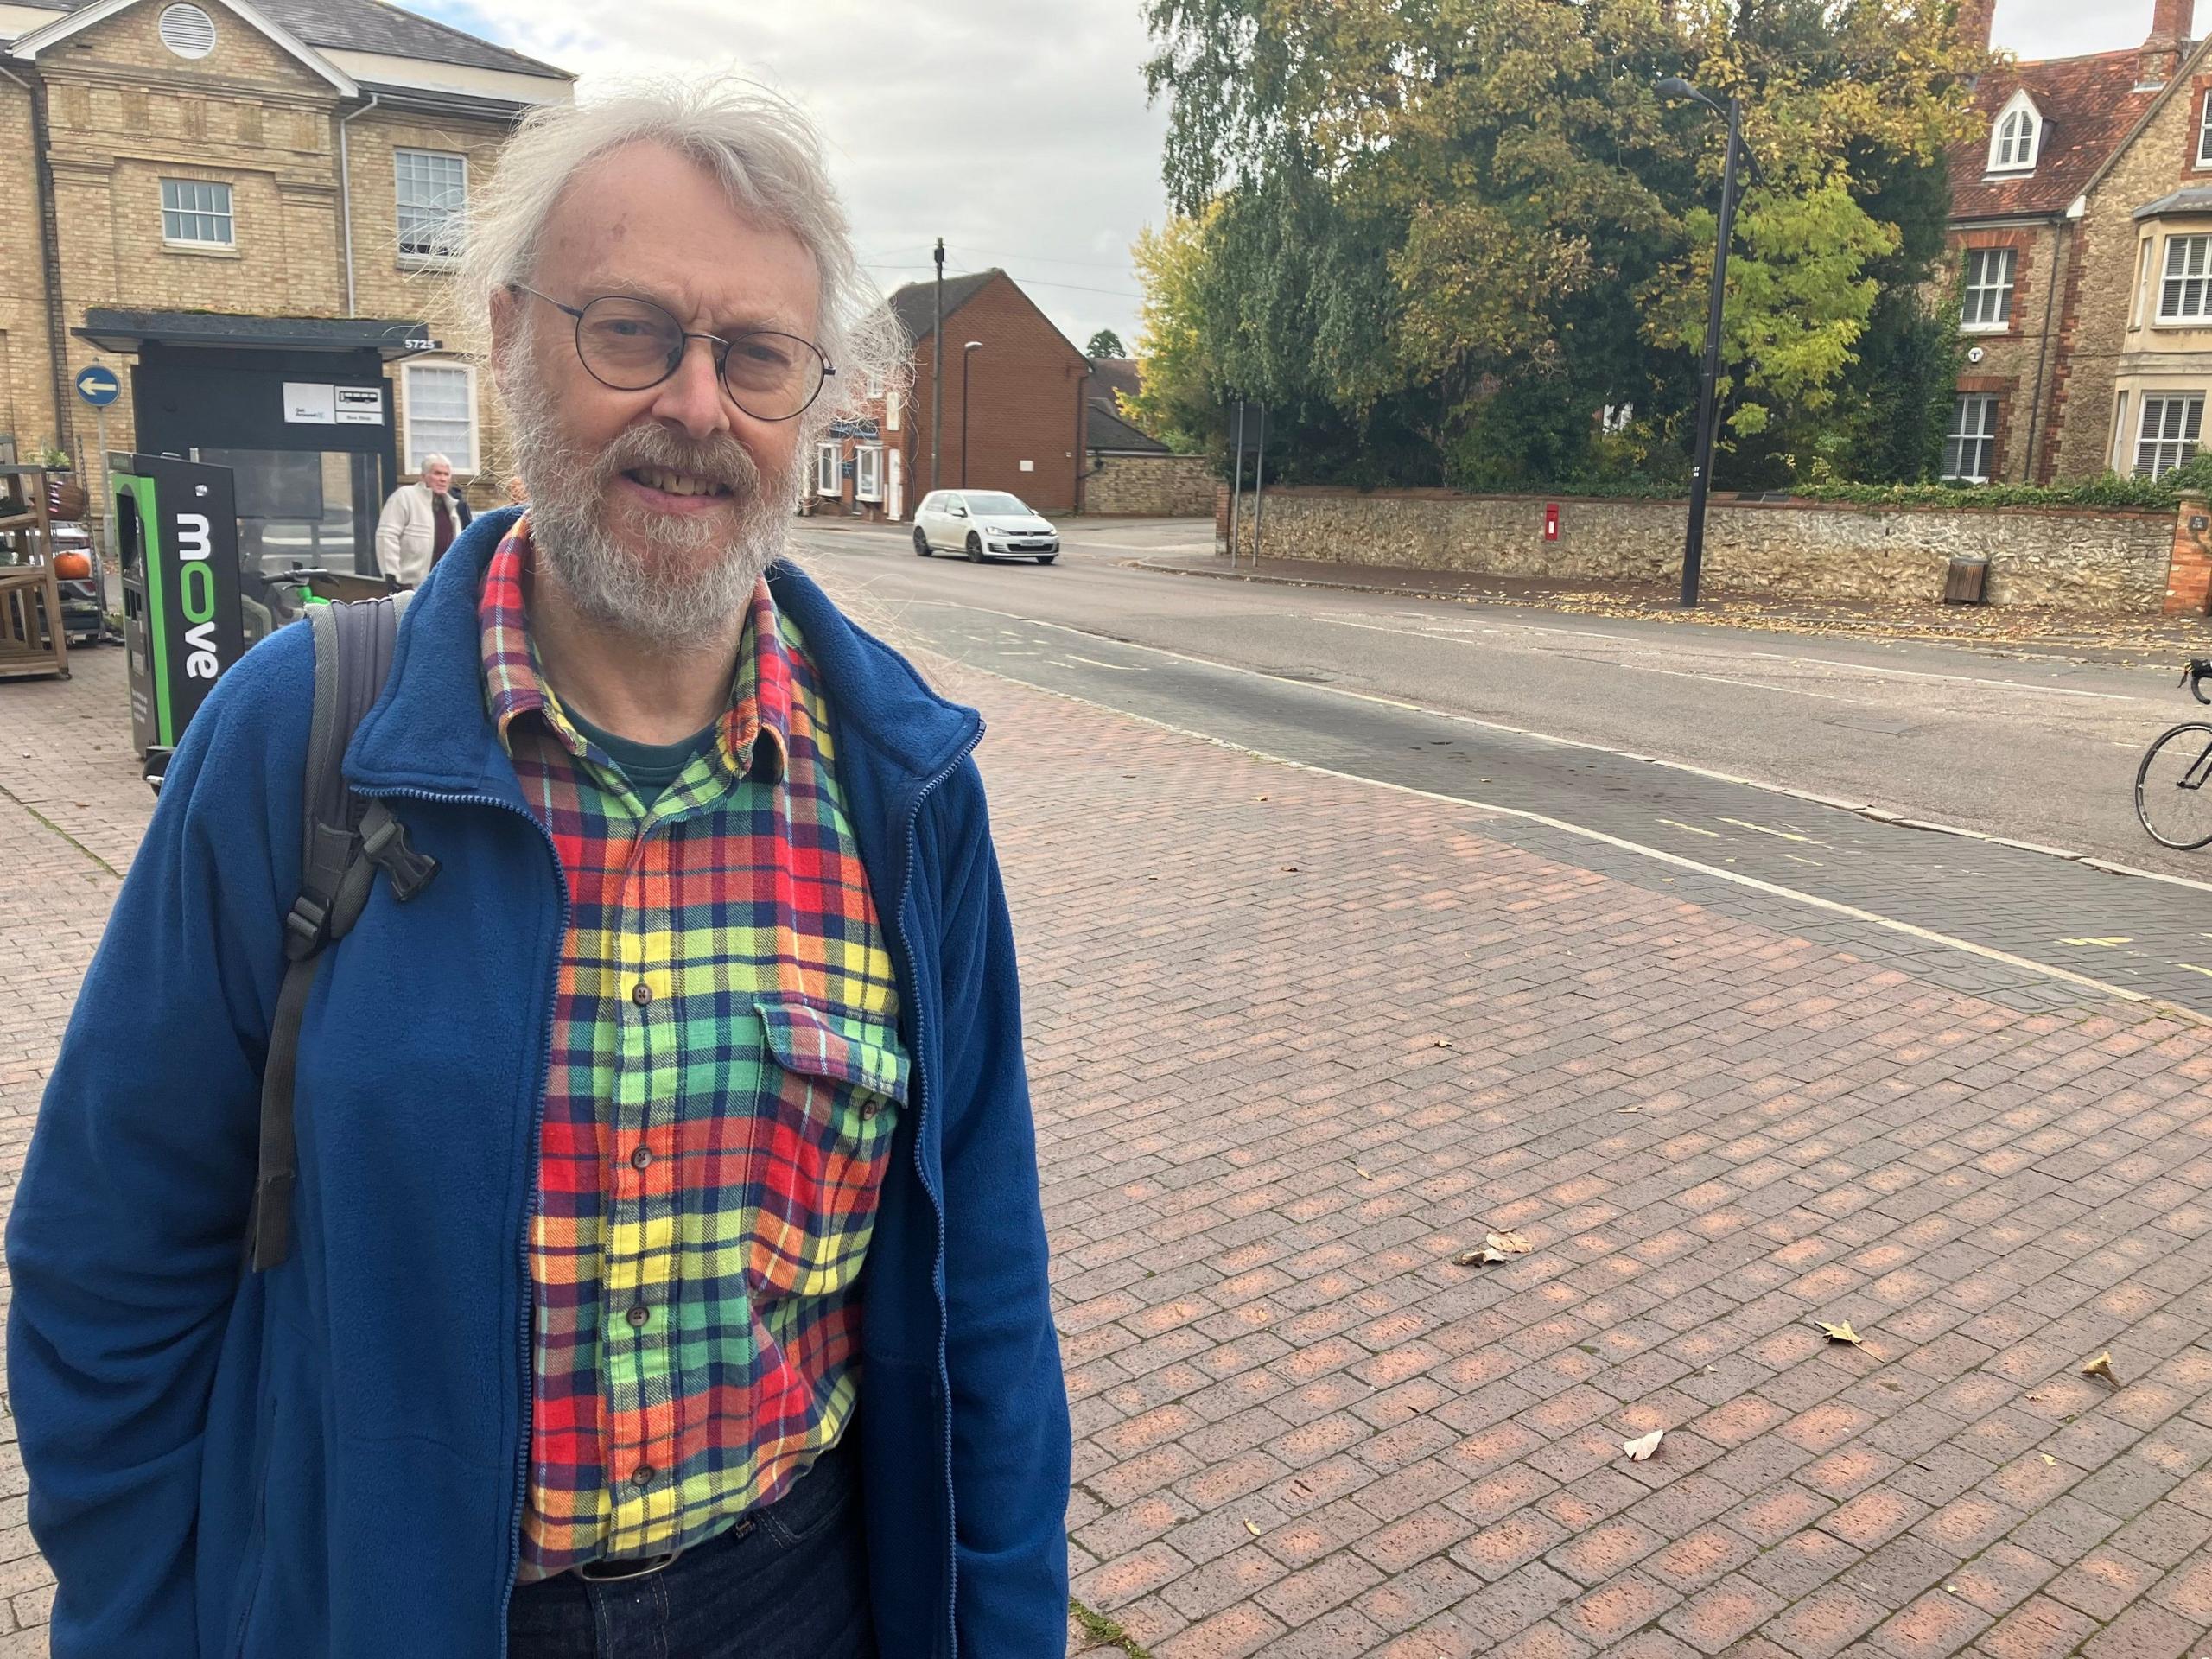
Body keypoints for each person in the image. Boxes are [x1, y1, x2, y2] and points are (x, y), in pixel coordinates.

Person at [8, 79, 1069, 1659]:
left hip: (797, 1601)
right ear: (510, 340)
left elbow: (983, 1288)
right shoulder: (297, 740)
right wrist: (147, 1623)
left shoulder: (901, 795)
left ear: (813, 400)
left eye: (756, 355)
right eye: (631, 331)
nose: (696, 406)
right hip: (390, 1609)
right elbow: (109, 1265)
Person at [373, 453, 474, 586]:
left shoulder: (452, 506)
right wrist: (391, 575)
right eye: (437, 473)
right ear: (423, 476)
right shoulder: (405, 497)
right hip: (409, 586)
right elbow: (387, 535)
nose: (443, 479)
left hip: (442, 585)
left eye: (446, 474)